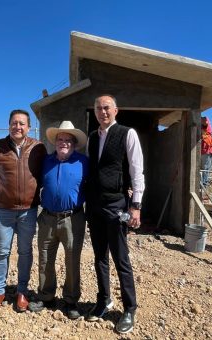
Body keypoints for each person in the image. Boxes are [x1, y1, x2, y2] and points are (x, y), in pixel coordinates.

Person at [85, 95, 145, 334]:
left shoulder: (127, 134)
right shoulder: (91, 137)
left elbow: (137, 170)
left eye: (106, 107)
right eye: (98, 108)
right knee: (99, 256)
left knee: (121, 259)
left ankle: (130, 308)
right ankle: (104, 299)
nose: (102, 112)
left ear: (116, 110)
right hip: (95, 205)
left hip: (116, 205)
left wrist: (136, 205)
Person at [0, 109, 47, 314]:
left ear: (28, 127)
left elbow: (45, 175)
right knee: (2, 252)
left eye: (22, 124)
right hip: (4, 212)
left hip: (29, 211)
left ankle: (22, 291)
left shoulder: (38, 147)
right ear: (8, 125)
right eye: (14, 123)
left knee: (25, 251)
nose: (18, 127)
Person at [29, 121, 88, 319]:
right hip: (47, 217)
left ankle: (71, 300)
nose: (63, 142)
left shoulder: (83, 162)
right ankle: (46, 296)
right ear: (55, 142)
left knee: (72, 260)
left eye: (67, 140)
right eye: (60, 139)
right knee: (45, 258)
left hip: (73, 218)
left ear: (74, 143)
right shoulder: (46, 161)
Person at [201, 116, 212, 187]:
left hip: (207, 150)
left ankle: (204, 183)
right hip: (206, 150)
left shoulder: (205, 128)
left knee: (205, 167)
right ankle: (204, 182)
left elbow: (205, 121)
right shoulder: (204, 130)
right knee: (205, 167)